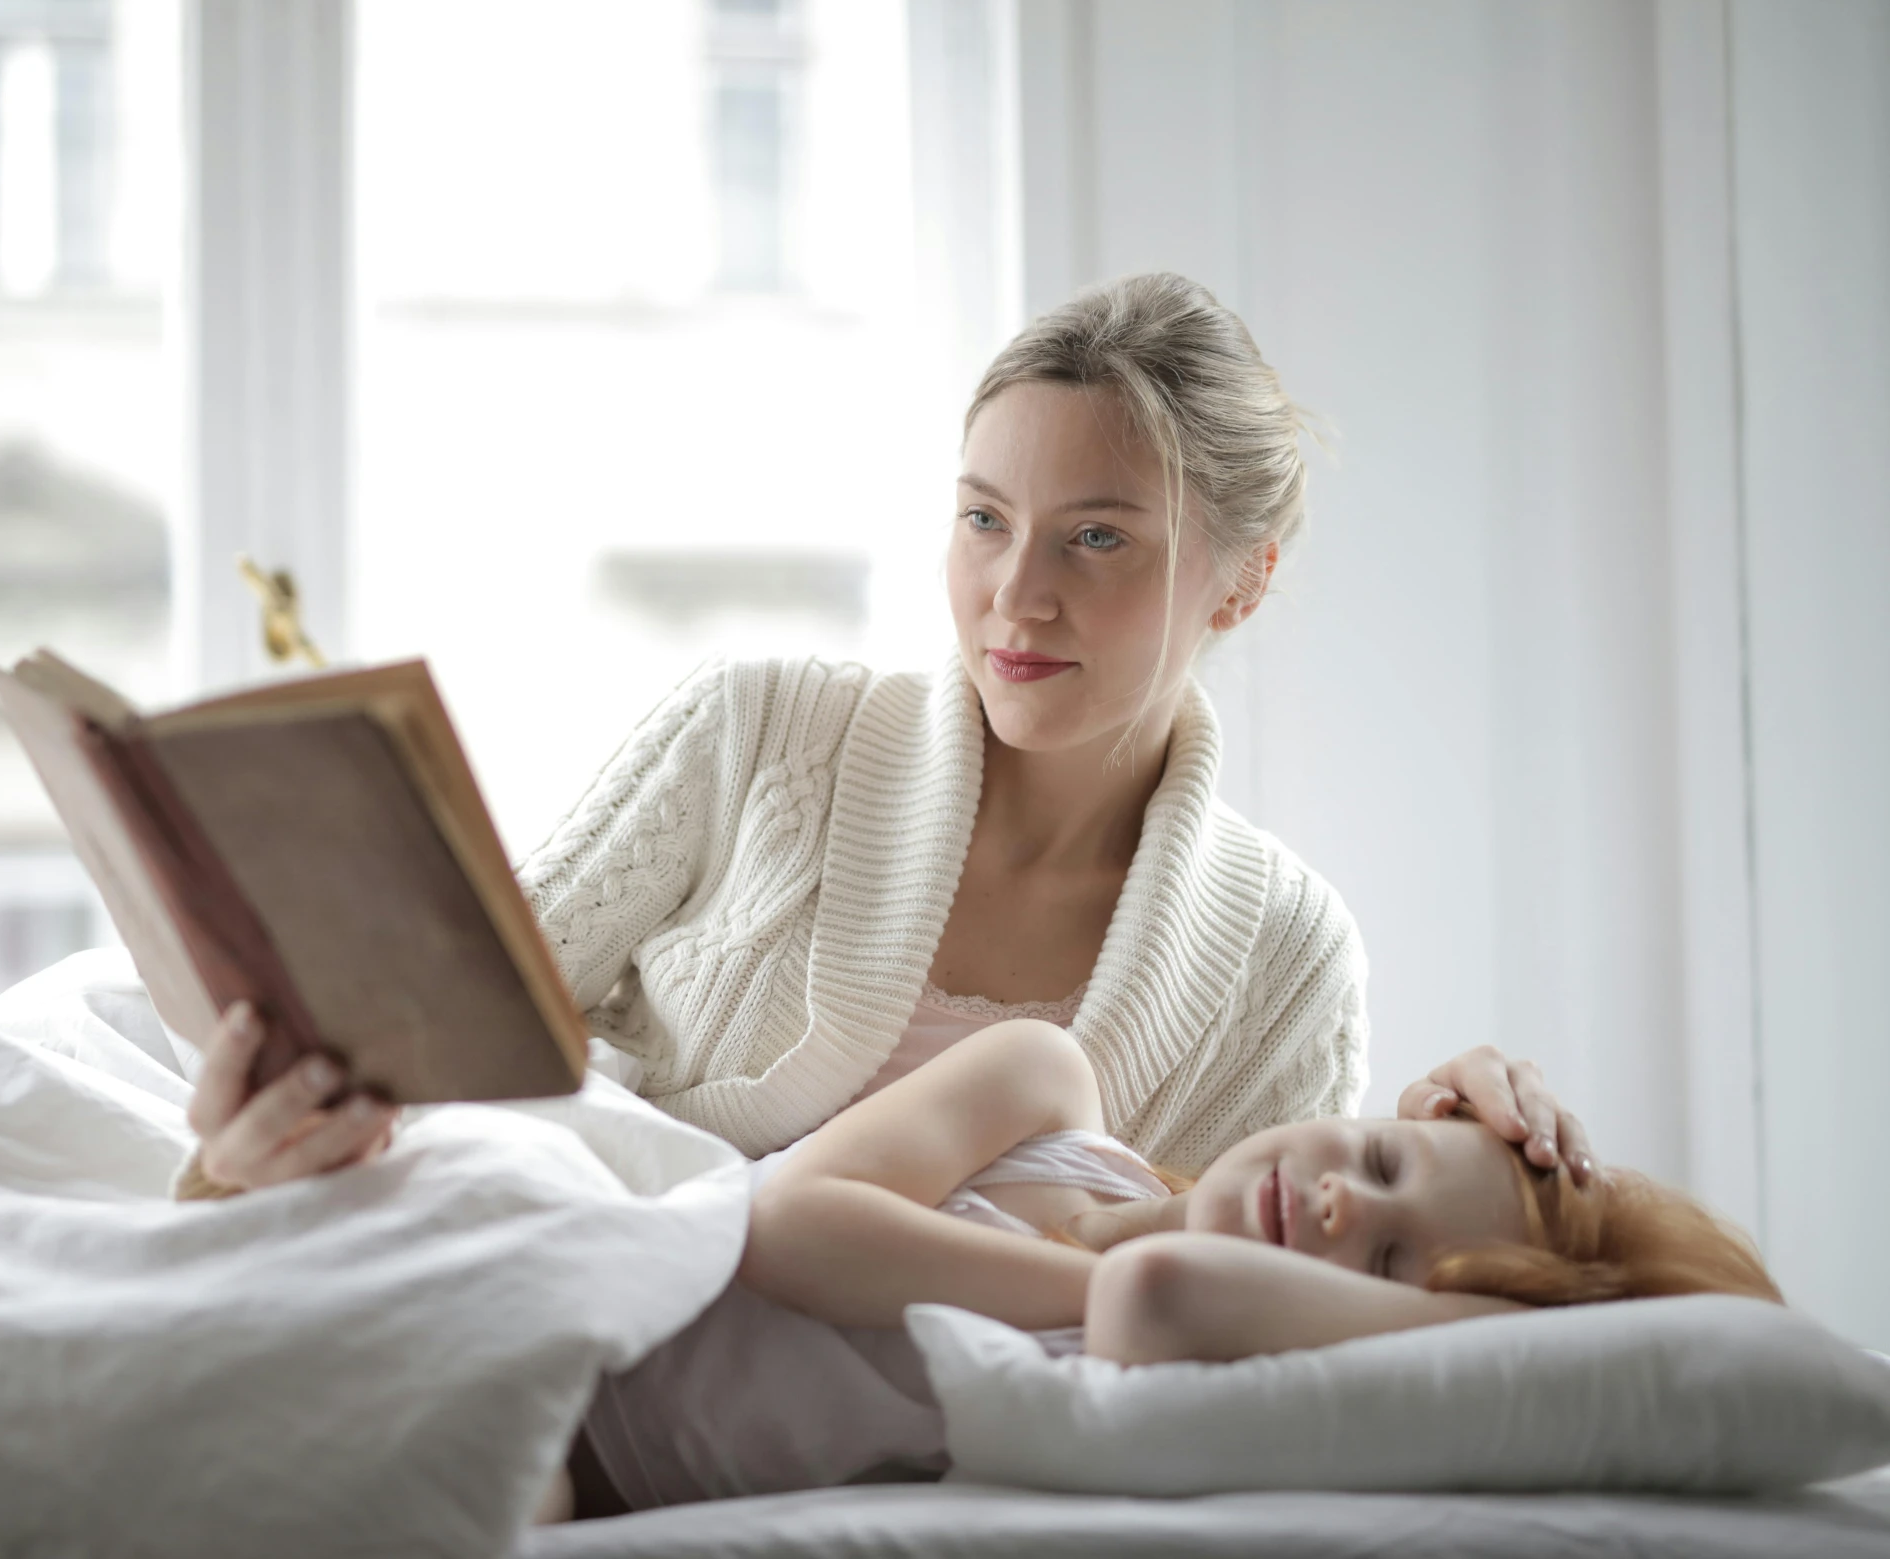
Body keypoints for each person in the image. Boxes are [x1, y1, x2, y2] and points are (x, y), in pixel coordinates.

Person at [175, 270, 1597, 1212]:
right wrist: (267, 1135)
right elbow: (443, 1034)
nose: (1013, 594)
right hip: (580, 1282)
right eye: (982, 518)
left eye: (1095, 537)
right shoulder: (753, 732)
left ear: (1242, 578)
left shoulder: (1286, 958)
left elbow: (1246, 1294)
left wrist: (1435, 1146)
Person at [569, 1017, 1776, 1513]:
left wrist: (1517, 1314)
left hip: (590, 1455)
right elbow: (783, 1230)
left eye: (1395, 1257)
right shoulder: (1044, 1089)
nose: (1337, 1199)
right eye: (1376, 1156)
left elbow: (1160, 1292)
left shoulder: (1191, 1348)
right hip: (589, 1291)